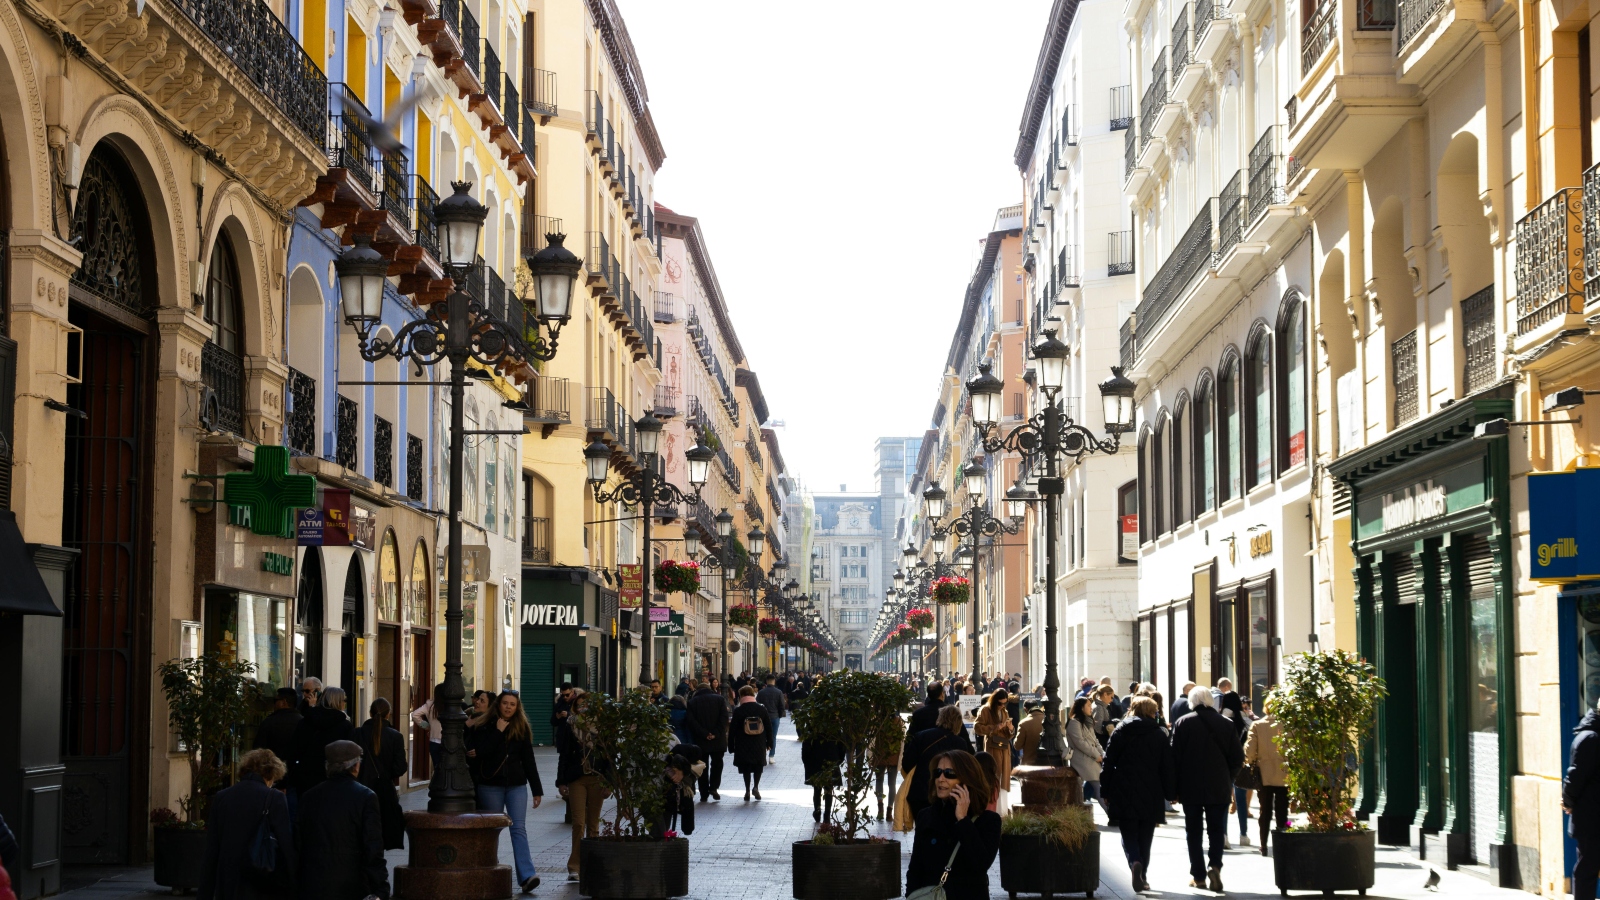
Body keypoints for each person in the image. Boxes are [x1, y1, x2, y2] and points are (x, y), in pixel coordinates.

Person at [466, 692, 544, 893]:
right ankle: (488, 870)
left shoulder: (521, 727)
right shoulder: (484, 725)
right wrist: (498, 732)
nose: (508, 707)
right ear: (498, 705)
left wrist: (537, 790)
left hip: (516, 786)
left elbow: (529, 760)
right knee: (492, 830)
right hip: (491, 785)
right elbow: (481, 752)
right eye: (505, 704)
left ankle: (527, 876)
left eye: (512, 705)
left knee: (518, 829)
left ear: (517, 707)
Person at [1171, 686, 1244, 893]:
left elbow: (1174, 758)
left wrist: (1174, 788)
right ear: (1211, 701)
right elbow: (1238, 758)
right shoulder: (1227, 724)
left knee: (1193, 832)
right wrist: (1228, 777)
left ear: (1191, 702)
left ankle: (1199, 876)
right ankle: (1215, 866)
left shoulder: (1183, 723)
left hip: (1190, 786)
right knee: (1216, 830)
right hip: (1218, 785)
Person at [199, 749, 296, 900]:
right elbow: (286, 844)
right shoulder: (275, 798)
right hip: (262, 880)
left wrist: (204, 894)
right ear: (271, 773)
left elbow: (212, 850)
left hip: (229, 881)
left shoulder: (222, 797)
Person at [296, 741, 388, 900]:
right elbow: (373, 847)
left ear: (328, 766)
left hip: (313, 881)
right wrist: (380, 888)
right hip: (351, 883)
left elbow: (298, 842)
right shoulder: (365, 797)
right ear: (355, 766)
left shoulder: (309, 797)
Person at [904, 750, 1002, 900]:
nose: (941, 779)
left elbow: (981, 864)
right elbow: (915, 870)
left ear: (967, 779)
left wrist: (962, 819)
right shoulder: (926, 816)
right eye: (938, 772)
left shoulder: (988, 820)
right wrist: (911, 896)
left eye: (949, 773)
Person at [1101, 696, 1173, 893]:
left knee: (1128, 831)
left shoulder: (1121, 730)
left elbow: (1108, 762)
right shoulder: (1159, 734)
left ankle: (1134, 861)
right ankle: (1144, 875)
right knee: (1146, 835)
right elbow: (1167, 766)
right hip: (1151, 789)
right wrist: (1170, 792)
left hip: (1123, 786)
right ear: (1152, 712)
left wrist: (1105, 790)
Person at [560, 690, 605, 882]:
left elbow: (609, 756)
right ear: (575, 707)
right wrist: (561, 781)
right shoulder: (570, 725)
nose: (583, 708)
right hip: (577, 778)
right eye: (579, 705)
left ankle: (592, 864)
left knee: (593, 824)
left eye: (587, 705)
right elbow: (564, 754)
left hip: (597, 778)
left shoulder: (603, 727)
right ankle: (575, 866)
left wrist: (609, 781)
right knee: (578, 822)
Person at [901, 705, 975, 820]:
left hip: (921, 793)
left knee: (922, 830)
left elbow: (906, 764)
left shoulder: (921, 736)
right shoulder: (960, 743)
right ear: (958, 722)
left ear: (939, 718)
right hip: (950, 795)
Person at [353, 698, 408, 850]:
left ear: (370, 713)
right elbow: (400, 767)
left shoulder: (357, 733)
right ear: (388, 714)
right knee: (383, 832)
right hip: (384, 790)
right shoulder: (395, 736)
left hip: (361, 787)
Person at [289, 686, 355, 797]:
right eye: (344, 700)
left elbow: (294, 749)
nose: (345, 703)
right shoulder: (345, 726)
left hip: (306, 777)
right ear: (338, 702)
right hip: (334, 777)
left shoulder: (305, 721)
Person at [1566, 696, 1600, 900]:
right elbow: (1575, 775)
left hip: (1593, 815)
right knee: (1587, 869)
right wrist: (1568, 800)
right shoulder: (1591, 738)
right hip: (1592, 817)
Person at [1243, 703, 1288, 856]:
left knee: (1265, 811)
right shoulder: (1287, 726)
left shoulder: (1257, 725)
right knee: (1283, 810)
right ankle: (1283, 842)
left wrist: (1249, 762)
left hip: (1264, 774)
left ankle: (1263, 844)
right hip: (1284, 774)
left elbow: (1249, 750)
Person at [1217, 688, 1251, 845]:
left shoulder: (1218, 719)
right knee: (1241, 800)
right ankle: (1243, 834)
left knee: (1224, 800)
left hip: (1223, 764)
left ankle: (1223, 835)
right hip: (1240, 763)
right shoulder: (1243, 721)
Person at [685, 682, 729, 802]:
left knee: (702, 765)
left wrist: (704, 733)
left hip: (700, 740)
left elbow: (691, 721)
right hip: (718, 739)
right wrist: (715, 733)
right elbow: (724, 718)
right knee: (717, 763)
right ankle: (714, 787)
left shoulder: (693, 702)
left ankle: (703, 792)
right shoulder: (719, 699)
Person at [973, 690, 1014, 814]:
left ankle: (1002, 811)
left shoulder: (1004, 711)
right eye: (1000, 703)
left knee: (1004, 779)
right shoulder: (985, 710)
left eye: (1004, 704)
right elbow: (977, 727)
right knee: (994, 776)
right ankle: (992, 810)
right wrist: (994, 728)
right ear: (995, 701)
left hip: (1004, 748)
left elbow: (1009, 735)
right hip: (993, 747)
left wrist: (1010, 729)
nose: (1002, 706)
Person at [728, 686, 769, 800]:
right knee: (758, 765)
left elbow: (733, 729)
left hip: (743, 742)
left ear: (741, 696)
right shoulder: (761, 709)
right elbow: (768, 727)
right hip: (759, 741)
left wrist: (731, 746)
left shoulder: (739, 710)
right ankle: (756, 787)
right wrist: (769, 742)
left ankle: (746, 790)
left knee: (746, 766)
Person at [870, 705, 906, 821]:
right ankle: (889, 811)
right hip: (894, 756)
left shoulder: (877, 721)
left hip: (879, 755)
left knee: (879, 780)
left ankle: (880, 806)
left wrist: (870, 757)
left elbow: (872, 740)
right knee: (892, 784)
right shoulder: (899, 722)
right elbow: (903, 740)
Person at [253, 688, 303, 772]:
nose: (273, 704)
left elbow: (258, 750)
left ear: (284, 702)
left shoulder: (269, 722)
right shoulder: (302, 722)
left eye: (275, 700)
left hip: (272, 771)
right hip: (296, 772)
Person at [800, 731, 845, 822]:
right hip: (831, 761)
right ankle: (827, 814)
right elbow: (842, 747)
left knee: (817, 788)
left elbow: (806, 747)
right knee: (828, 788)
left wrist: (807, 762)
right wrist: (838, 760)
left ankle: (817, 810)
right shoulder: (834, 728)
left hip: (815, 761)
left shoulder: (812, 727)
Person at [1066, 696, 1103, 803]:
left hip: (1091, 758)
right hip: (1082, 760)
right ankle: (1112, 817)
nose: (1091, 708)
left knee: (1096, 788)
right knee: (1098, 788)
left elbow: (1095, 740)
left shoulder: (1087, 722)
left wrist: (1102, 754)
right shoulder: (1074, 722)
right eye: (1088, 706)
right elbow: (1080, 743)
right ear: (1081, 707)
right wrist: (1097, 755)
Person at [409, 686, 446, 775]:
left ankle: (438, 786)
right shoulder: (450, 705)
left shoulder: (430, 705)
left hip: (434, 741)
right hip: (448, 741)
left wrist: (427, 726)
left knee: (437, 767)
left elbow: (414, 715)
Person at [755, 676, 787, 762]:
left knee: (763, 736)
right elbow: (782, 705)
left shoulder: (761, 692)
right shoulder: (779, 692)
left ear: (766, 681)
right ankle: (771, 756)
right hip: (774, 717)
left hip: (763, 718)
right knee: (773, 736)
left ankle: (763, 753)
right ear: (774, 681)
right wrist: (779, 715)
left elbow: (757, 704)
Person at [1015, 701, 1045, 766]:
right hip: (1046, 762)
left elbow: (1017, 745)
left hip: (1029, 763)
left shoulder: (1023, 723)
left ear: (1025, 709)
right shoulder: (1047, 720)